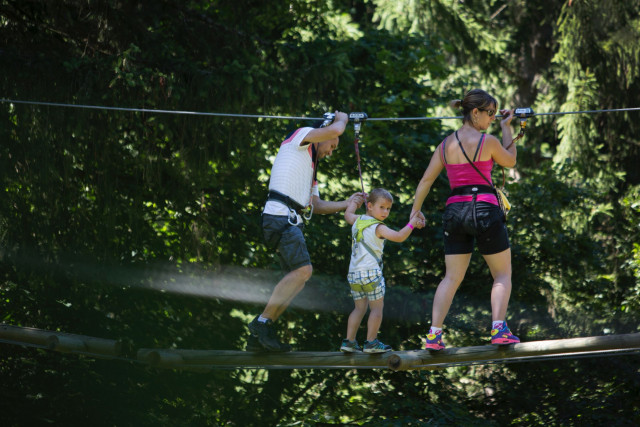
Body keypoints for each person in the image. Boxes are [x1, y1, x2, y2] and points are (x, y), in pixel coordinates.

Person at [410, 89, 520, 350]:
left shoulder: (445, 145)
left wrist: (415, 211)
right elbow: (511, 160)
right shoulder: (488, 141)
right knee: (502, 273)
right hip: (484, 209)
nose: (493, 118)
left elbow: (426, 180)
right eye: (490, 113)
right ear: (475, 113)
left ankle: (434, 335)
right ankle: (498, 330)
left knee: (451, 277)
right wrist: (507, 128)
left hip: (455, 212)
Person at [248, 110, 365, 352]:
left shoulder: (310, 167)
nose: (330, 152)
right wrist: (342, 118)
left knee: (299, 280)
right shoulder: (301, 138)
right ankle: (261, 323)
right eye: (331, 146)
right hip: (281, 216)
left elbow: (317, 205)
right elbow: (336, 129)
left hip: (286, 219)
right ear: (321, 134)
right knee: (303, 271)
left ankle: (260, 334)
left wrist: (348, 203)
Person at [340, 188, 425, 353]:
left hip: (354, 274)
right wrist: (411, 224)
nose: (385, 212)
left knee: (359, 308)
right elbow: (400, 236)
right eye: (382, 207)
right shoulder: (378, 227)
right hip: (371, 273)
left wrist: (354, 202)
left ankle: (348, 341)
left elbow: (347, 215)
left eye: (388, 208)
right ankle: (371, 342)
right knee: (376, 309)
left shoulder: (357, 221)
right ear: (370, 206)